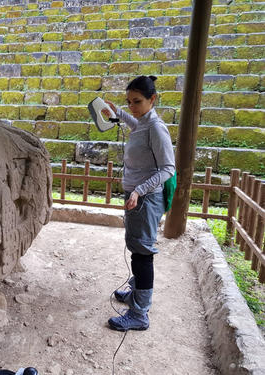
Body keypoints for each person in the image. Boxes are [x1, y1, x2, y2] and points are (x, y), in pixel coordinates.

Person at [102, 75, 176, 331]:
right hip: (137, 196)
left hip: (146, 198)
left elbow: (168, 168)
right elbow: (135, 123)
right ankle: (137, 294)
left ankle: (139, 313)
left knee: (142, 255)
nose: (132, 106)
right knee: (136, 249)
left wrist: (139, 191)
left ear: (152, 99)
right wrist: (118, 112)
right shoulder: (144, 122)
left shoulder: (156, 128)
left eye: (137, 101)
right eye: (128, 101)